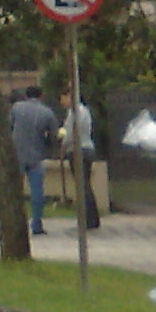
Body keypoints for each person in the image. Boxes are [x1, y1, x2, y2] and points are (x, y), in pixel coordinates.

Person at [7, 86, 59, 234]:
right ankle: (37, 224)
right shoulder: (47, 113)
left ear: (26, 95)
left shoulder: (16, 108)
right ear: (41, 96)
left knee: (14, 190)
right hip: (36, 155)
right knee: (37, 192)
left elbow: (9, 127)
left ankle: (14, 222)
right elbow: (53, 136)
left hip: (17, 154)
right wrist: (47, 146)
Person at [59, 88, 103, 230]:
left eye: (63, 98)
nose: (61, 102)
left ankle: (88, 219)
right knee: (85, 185)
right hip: (87, 148)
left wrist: (63, 146)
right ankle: (92, 218)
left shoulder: (75, 112)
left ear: (70, 96)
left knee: (82, 186)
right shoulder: (82, 111)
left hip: (78, 150)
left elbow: (71, 133)